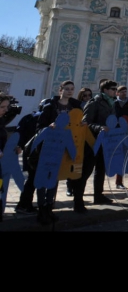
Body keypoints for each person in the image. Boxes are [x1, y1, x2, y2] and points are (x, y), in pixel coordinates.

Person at [38, 80, 84, 214]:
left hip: (64, 146)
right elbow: (40, 127)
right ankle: (41, 207)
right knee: (44, 175)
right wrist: (49, 127)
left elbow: (76, 125)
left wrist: (80, 125)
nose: (69, 91)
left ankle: (49, 205)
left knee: (56, 175)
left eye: (72, 89)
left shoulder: (75, 108)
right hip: (49, 146)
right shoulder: (50, 106)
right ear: (60, 90)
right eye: (67, 88)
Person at [82, 79, 119, 206]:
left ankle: (98, 195)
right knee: (86, 170)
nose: (116, 92)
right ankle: (78, 198)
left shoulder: (112, 103)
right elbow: (86, 122)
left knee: (101, 169)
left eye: (116, 89)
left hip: (106, 141)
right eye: (113, 89)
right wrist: (100, 128)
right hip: (93, 141)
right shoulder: (94, 102)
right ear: (105, 90)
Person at [114, 85, 128, 189]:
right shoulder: (114, 103)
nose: (124, 93)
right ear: (117, 93)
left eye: (125, 92)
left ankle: (119, 181)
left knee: (122, 157)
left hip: (125, 132)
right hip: (114, 132)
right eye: (122, 92)